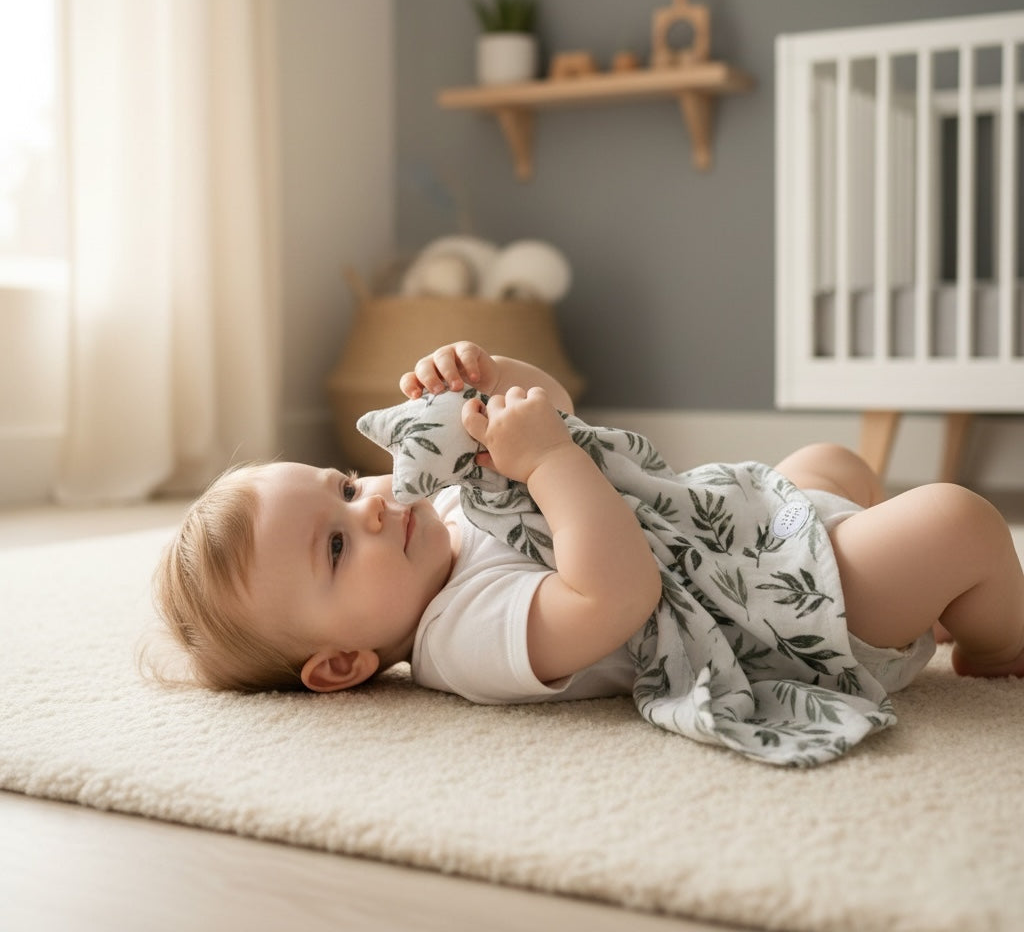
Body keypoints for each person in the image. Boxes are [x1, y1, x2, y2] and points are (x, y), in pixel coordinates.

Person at [154, 341, 1024, 703]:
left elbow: (562, 417)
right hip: (774, 615)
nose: (374, 502)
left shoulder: (444, 503)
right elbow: (614, 594)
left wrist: (493, 377)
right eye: (338, 544)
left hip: (730, 528)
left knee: (834, 464)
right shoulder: (465, 635)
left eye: (343, 485)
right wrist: (545, 465)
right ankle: (990, 640)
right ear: (343, 663)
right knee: (958, 519)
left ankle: (922, 590)